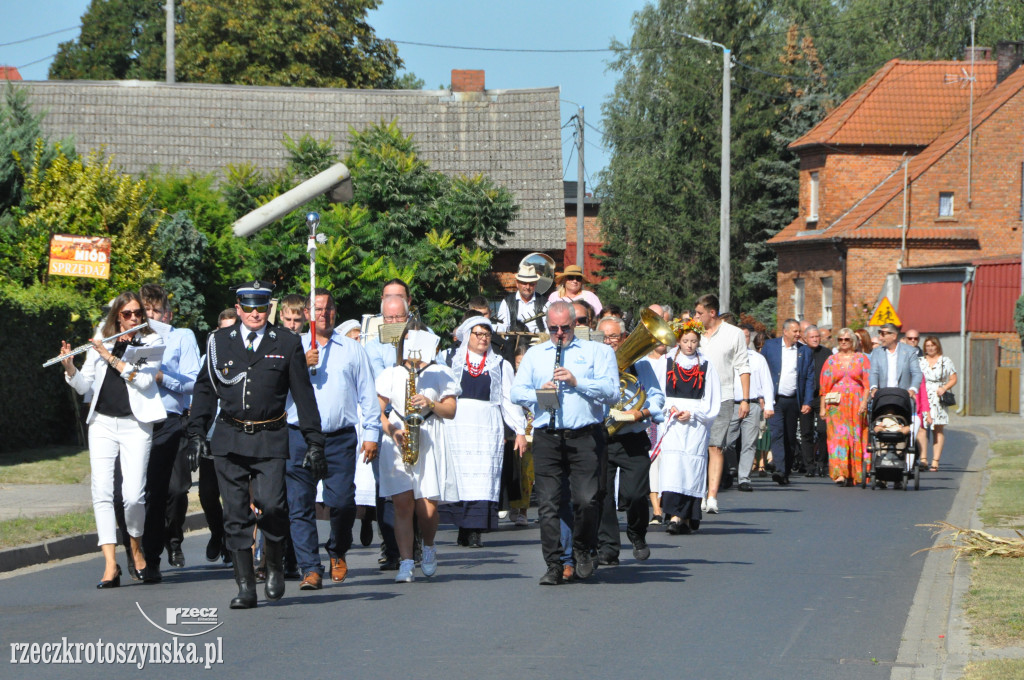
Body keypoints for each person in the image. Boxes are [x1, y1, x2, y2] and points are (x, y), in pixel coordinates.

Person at [185, 280, 325, 609]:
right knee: (235, 515)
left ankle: (275, 563)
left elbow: (304, 397)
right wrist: (195, 433)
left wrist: (314, 441)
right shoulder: (219, 341)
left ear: (268, 309)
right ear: (237, 309)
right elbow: (204, 390)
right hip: (229, 437)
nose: (254, 314)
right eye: (247, 308)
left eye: (261, 308)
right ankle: (245, 585)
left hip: (270, 437)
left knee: (273, 505)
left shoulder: (287, 342)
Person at [60, 291, 166, 588]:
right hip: (102, 423)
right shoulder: (100, 337)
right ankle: (110, 564)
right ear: (116, 316)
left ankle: (135, 547)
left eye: (138, 314)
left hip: (136, 424)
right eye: (127, 314)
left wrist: (110, 356)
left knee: (133, 495)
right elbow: (85, 388)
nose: (134, 318)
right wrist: (70, 368)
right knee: (103, 491)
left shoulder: (151, 341)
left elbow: (144, 380)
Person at [511, 301, 618, 585]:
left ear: (576, 324)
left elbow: (612, 392)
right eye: (553, 328)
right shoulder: (535, 354)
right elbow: (516, 392)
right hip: (548, 434)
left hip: (584, 435)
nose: (559, 334)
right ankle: (555, 564)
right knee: (547, 504)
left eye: (565, 328)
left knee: (586, 499)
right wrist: (538, 392)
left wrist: (576, 381)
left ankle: (583, 548)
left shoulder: (598, 351)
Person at [287, 289, 381, 591]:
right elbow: (275, 388)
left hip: (339, 437)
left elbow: (367, 393)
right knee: (299, 504)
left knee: (340, 502)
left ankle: (338, 549)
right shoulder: (292, 346)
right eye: (316, 309)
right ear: (306, 313)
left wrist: (371, 434)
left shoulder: (352, 350)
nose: (323, 314)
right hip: (299, 435)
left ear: (335, 312)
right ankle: (310, 568)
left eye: (328, 309)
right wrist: (300, 363)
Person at [376, 324, 460, 582]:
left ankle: (429, 545)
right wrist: (392, 431)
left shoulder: (440, 372)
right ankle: (406, 561)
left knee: (428, 509)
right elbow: (377, 412)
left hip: (429, 434)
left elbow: (451, 411)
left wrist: (431, 403)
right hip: (399, 438)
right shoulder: (391, 373)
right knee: (402, 504)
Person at [130, 283, 201, 581]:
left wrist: (160, 376)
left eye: (156, 310)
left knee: (168, 491)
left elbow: (193, 382)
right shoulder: (130, 336)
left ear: (167, 314)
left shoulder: (181, 337)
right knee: (134, 493)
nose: (150, 315)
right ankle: (139, 555)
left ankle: (160, 548)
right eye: (145, 310)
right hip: (134, 421)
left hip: (169, 420)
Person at [442, 316, 526, 548]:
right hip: (456, 424)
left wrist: (519, 430)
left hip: (486, 426)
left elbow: (509, 400)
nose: (483, 338)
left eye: (487, 334)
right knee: (458, 477)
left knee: (483, 477)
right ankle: (463, 526)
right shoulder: (449, 360)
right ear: (467, 335)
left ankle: (475, 530)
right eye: (478, 333)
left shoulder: (500, 364)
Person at [596, 315, 664, 564]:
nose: (609, 341)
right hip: (603, 438)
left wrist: (641, 412)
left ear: (624, 338)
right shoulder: (594, 366)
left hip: (632, 438)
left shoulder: (642, 366)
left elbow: (657, 398)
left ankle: (637, 534)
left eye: (614, 336)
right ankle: (608, 548)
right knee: (602, 494)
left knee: (635, 494)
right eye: (604, 337)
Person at [658, 319, 721, 535]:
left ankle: (684, 516)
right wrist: (670, 408)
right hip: (673, 421)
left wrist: (693, 413)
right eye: (686, 341)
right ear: (679, 340)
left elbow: (712, 398)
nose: (690, 345)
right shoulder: (667, 361)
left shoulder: (705, 365)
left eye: (694, 341)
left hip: (695, 423)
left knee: (691, 467)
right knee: (674, 467)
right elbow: (658, 393)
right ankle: (674, 515)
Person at [693, 294, 749, 509]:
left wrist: (744, 399)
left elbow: (743, 366)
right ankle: (698, 493)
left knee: (716, 446)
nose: (696, 317)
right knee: (697, 447)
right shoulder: (693, 332)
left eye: (699, 313)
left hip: (723, 396)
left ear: (712, 313)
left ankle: (713, 496)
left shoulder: (733, 334)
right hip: (696, 397)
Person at [197, 308, 238, 566]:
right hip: (212, 435)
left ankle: (234, 543)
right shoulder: (208, 357)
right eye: (221, 331)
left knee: (234, 494)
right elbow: (200, 394)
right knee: (207, 493)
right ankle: (217, 532)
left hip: (235, 435)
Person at [761, 319, 816, 484]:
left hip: (793, 400)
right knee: (777, 434)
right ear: (785, 332)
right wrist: (762, 397)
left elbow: (809, 378)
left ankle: (786, 470)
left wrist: (807, 401)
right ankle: (779, 469)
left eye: (799, 331)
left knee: (790, 438)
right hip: (775, 399)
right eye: (795, 331)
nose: (798, 334)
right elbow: (761, 372)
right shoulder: (770, 347)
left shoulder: (804, 351)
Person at [725, 325, 774, 492]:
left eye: (746, 336)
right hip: (731, 404)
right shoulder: (727, 357)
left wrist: (769, 405)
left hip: (752, 404)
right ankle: (731, 468)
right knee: (727, 441)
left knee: (749, 443)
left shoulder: (757, 358)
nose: (743, 339)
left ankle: (744, 478)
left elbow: (766, 382)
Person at [819, 328, 871, 485]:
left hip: (856, 403)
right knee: (837, 438)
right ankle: (840, 473)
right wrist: (822, 408)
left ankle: (857, 472)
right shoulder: (831, 360)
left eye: (846, 339)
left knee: (856, 436)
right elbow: (824, 387)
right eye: (840, 339)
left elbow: (868, 384)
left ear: (853, 341)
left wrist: (864, 402)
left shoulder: (862, 359)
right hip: (836, 404)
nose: (843, 342)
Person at [917, 336, 957, 471]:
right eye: (927, 346)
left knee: (937, 429)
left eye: (932, 345)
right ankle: (923, 459)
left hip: (938, 395)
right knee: (922, 427)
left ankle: (935, 460)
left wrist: (944, 388)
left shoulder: (945, 361)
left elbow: (953, 378)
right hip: (923, 393)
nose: (930, 348)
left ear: (937, 346)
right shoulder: (920, 361)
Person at [800, 325, 831, 477]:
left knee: (823, 431)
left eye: (817, 336)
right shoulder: (801, 352)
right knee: (806, 432)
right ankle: (809, 465)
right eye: (812, 337)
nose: (815, 339)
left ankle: (823, 463)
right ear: (805, 339)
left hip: (822, 396)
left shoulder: (826, 353)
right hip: (806, 397)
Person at [496, 264, 548, 333]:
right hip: (514, 341)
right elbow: (501, 327)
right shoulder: (507, 302)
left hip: (538, 341)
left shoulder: (545, 303)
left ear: (536, 284)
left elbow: (549, 328)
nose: (527, 287)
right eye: (524, 283)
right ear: (517, 283)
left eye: (531, 284)